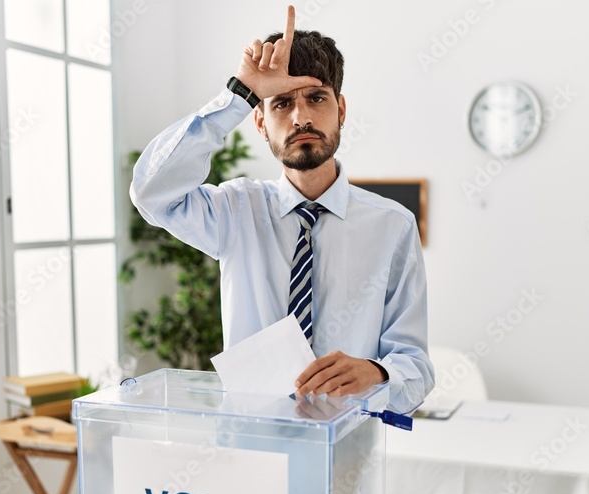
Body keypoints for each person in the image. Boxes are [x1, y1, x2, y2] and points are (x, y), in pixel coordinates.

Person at [130, 6, 433, 413]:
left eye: (316, 98)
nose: (301, 117)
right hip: (253, 450)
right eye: (281, 104)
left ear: (340, 110)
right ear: (259, 123)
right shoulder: (233, 212)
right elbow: (151, 192)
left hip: (346, 454)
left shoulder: (392, 226)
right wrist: (239, 94)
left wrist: (378, 373)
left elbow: (416, 366)